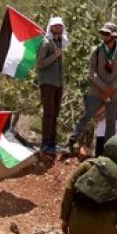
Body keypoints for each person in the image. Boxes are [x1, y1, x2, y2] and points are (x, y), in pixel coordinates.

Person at [66, 22, 117, 158]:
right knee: (87, 116)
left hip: (115, 92)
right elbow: (92, 73)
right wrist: (104, 89)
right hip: (97, 90)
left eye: (106, 33)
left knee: (111, 123)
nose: (103, 35)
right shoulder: (96, 50)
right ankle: (72, 141)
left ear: (114, 36)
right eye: (102, 33)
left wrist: (111, 89)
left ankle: (107, 153)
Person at [36, 16, 67, 155]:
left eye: (60, 26)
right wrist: (55, 55)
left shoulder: (60, 43)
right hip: (47, 82)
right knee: (49, 113)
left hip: (58, 83)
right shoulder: (46, 42)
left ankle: (53, 143)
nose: (58, 28)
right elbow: (40, 63)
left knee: (55, 113)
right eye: (55, 26)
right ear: (51, 27)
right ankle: (45, 143)